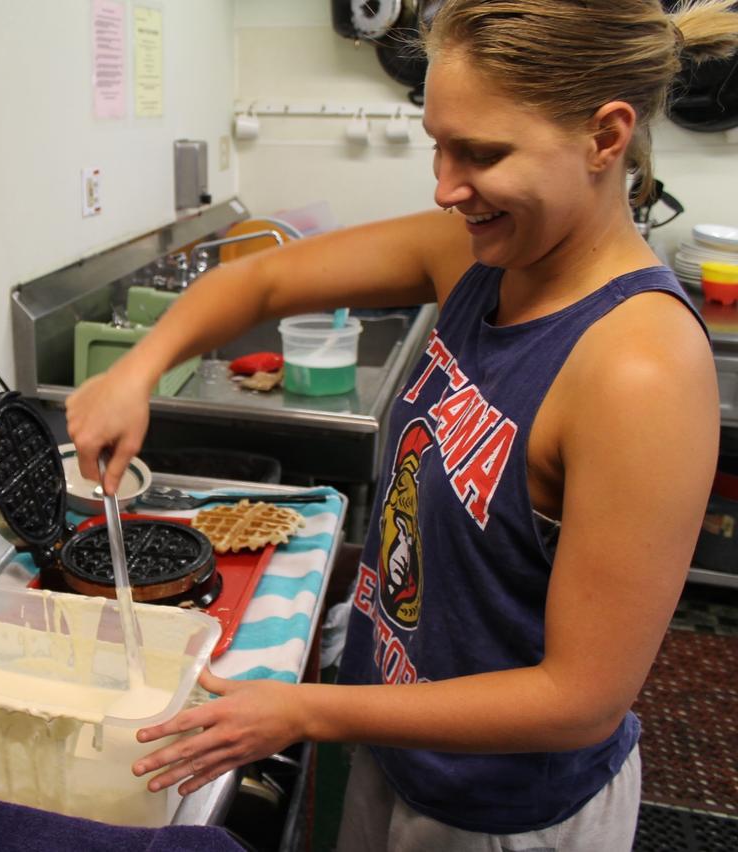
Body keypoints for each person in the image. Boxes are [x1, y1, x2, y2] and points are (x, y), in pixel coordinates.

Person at [65, 1, 738, 848]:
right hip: (396, 734)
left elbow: (580, 699)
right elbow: (264, 283)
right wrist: (135, 370)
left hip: (504, 816)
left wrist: (305, 710)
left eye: (483, 154)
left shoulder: (637, 368)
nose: (445, 185)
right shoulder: (478, 258)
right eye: (438, 144)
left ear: (606, 138)